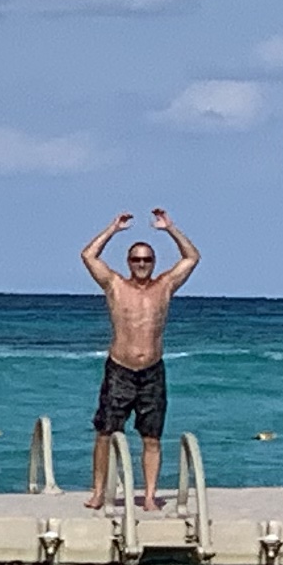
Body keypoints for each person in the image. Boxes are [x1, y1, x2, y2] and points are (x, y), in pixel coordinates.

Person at [79, 207, 199, 508]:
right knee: (105, 432)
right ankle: (98, 492)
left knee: (152, 437)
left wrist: (170, 228)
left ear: (154, 262)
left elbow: (192, 257)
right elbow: (88, 256)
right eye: (136, 259)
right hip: (120, 369)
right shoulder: (115, 285)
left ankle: (149, 496)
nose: (142, 264)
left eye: (147, 259)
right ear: (128, 262)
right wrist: (113, 229)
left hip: (152, 371)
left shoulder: (165, 286)